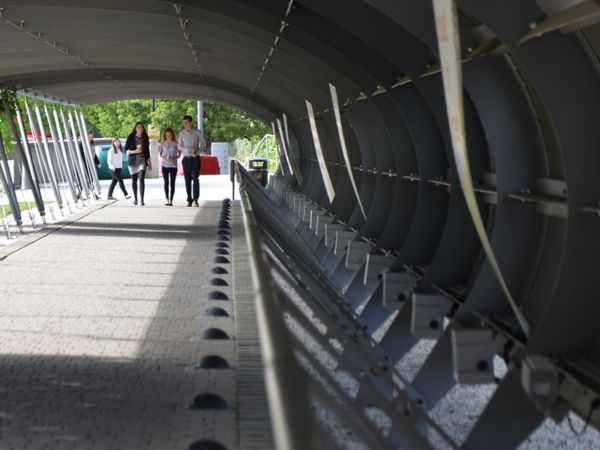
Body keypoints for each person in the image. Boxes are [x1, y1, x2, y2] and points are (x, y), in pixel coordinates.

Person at [178, 115, 206, 207]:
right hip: (186, 159)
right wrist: (188, 150)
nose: (185, 124)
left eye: (186, 122)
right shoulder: (182, 133)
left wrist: (197, 152)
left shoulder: (198, 132)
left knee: (195, 179)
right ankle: (189, 199)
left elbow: (203, 145)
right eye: (184, 123)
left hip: (195, 158)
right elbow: (179, 146)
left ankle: (196, 199)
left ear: (190, 122)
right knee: (187, 180)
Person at [125, 122, 151, 206]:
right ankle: (135, 198)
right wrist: (135, 151)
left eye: (142, 128)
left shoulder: (145, 138)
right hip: (132, 161)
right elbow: (126, 150)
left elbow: (147, 151)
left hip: (142, 161)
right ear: (135, 128)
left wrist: (149, 161)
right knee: (134, 180)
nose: (140, 129)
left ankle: (142, 200)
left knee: (141, 179)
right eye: (138, 127)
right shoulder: (131, 137)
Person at [159, 128, 180, 206]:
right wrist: (164, 157)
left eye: (170, 135)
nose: (168, 137)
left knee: (172, 183)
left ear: (172, 135)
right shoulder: (163, 143)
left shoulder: (176, 143)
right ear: (165, 136)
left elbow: (179, 154)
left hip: (173, 165)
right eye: (167, 135)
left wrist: (173, 158)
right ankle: (166, 199)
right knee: (166, 182)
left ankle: (171, 200)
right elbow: (160, 154)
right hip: (165, 165)